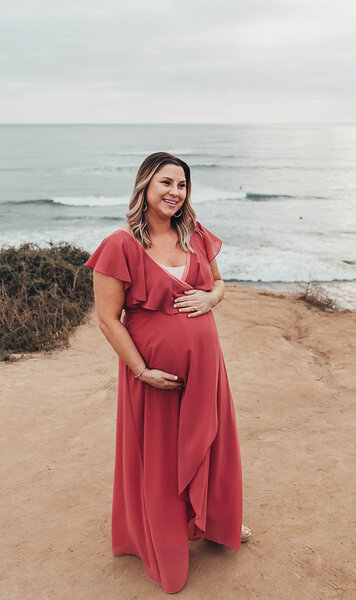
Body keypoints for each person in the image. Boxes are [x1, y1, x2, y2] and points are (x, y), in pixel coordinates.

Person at [84, 151, 251, 594]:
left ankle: (216, 520)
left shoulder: (194, 235)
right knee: (161, 455)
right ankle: (166, 536)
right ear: (145, 185)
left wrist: (211, 299)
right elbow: (108, 319)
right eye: (165, 183)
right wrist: (141, 371)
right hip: (153, 376)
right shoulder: (120, 245)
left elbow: (218, 284)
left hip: (206, 369)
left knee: (211, 440)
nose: (174, 193)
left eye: (181, 185)